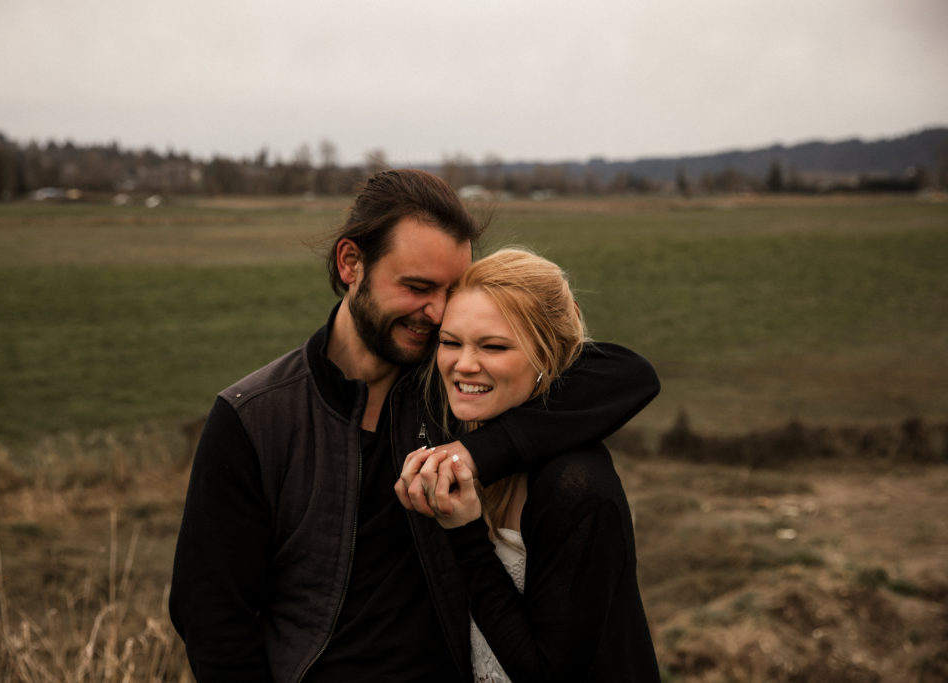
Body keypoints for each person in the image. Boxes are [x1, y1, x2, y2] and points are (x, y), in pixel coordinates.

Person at [169, 169, 660, 682]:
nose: (436, 312)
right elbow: (213, 618)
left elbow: (626, 374)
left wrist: (478, 453)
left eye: (451, 290)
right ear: (351, 263)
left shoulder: (457, 384)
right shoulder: (256, 416)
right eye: (417, 287)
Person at [400, 248, 660, 682]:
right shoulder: (452, 426)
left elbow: (546, 673)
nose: (463, 364)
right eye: (449, 342)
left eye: (495, 346)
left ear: (548, 355)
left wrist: (465, 534)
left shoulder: (576, 486)